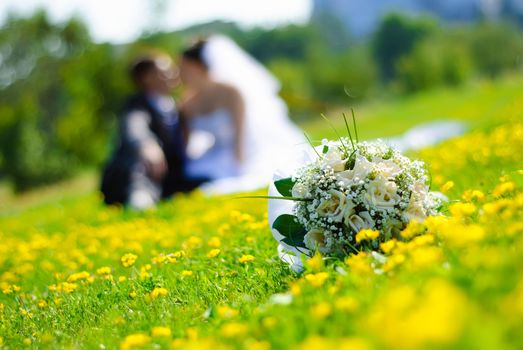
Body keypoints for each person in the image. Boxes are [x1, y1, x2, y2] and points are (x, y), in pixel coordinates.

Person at [179, 36, 307, 194]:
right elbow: (187, 142)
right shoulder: (187, 102)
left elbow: (242, 132)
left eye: (185, 68)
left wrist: (239, 164)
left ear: (200, 67)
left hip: (242, 148)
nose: (181, 74)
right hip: (215, 151)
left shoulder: (231, 93)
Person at [100, 54, 203, 209]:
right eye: (165, 71)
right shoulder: (136, 105)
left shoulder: (175, 105)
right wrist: (146, 145)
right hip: (135, 176)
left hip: (171, 175)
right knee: (142, 161)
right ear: (147, 77)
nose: (172, 74)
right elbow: (135, 126)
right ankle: (140, 199)